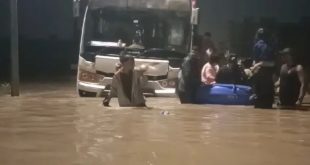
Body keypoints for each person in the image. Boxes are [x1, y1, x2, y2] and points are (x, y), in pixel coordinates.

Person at [252, 28, 276, 109]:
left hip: (259, 77)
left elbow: (257, 61)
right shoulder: (268, 46)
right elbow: (271, 63)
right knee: (267, 103)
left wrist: (255, 66)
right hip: (266, 78)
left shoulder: (258, 45)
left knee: (258, 103)